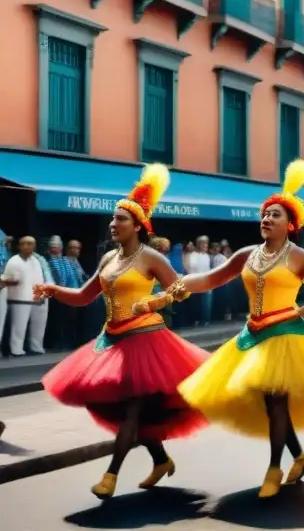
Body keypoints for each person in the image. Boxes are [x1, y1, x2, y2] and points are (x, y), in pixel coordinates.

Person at [154, 160, 304, 497]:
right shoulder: (247, 254)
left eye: (275, 215)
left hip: (287, 336)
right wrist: (177, 286)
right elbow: (210, 278)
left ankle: (275, 468)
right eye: (264, 214)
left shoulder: (302, 257)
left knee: (276, 402)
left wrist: (303, 309)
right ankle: (300, 457)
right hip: (253, 335)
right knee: (270, 404)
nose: (266, 219)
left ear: (290, 225)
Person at [35, 165, 208, 498]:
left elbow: (181, 291)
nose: (113, 224)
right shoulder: (108, 259)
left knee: (131, 408)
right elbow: (85, 296)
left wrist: (154, 302)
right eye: (112, 219)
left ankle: (110, 476)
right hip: (113, 340)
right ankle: (160, 460)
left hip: (147, 343)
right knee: (129, 409)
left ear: (139, 226)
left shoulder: (152, 257)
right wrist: (53, 289)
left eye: (121, 219)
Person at [3, 237, 50, 355]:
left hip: (36, 298)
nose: (26, 246)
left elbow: (39, 279)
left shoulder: (36, 261)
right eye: (23, 244)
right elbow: (8, 280)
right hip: (19, 299)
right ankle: (16, 349)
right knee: (18, 326)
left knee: (38, 326)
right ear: (19, 246)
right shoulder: (14, 261)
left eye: (30, 244)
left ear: (34, 246)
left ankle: (36, 346)